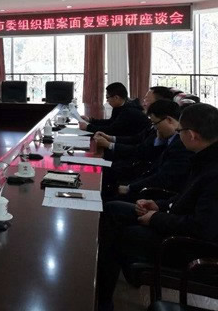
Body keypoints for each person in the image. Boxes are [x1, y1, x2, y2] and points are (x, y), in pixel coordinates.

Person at [97, 103, 218, 310]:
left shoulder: (213, 171)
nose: (178, 135)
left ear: (192, 135)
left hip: (189, 247)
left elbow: (202, 228)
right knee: (112, 210)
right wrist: (159, 206)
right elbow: (186, 197)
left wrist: (155, 218)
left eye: (180, 131)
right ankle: (102, 294)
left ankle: (102, 300)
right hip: (173, 221)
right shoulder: (204, 157)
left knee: (119, 234)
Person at [112, 100, 192, 202]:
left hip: (156, 195)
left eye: (155, 123)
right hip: (143, 181)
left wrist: (130, 188)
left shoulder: (181, 145)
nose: (155, 128)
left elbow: (164, 177)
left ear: (169, 120)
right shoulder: (168, 139)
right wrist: (159, 142)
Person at [79, 82, 149, 135]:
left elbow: (112, 130)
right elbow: (110, 122)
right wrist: (90, 120)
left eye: (107, 97)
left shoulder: (129, 111)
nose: (107, 101)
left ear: (116, 97)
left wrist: (88, 127)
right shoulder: (119, 106)